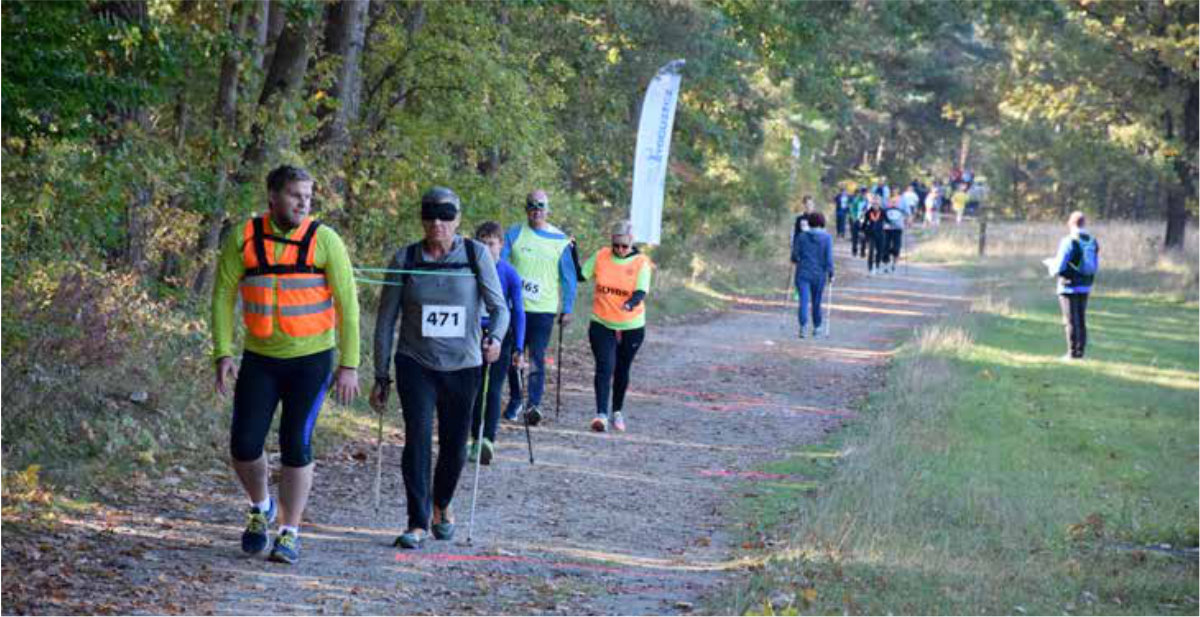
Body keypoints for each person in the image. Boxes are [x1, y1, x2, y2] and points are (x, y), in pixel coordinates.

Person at [211, 165, 361, 565]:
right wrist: (223, 353)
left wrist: (349, 364)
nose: (303, 202)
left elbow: (348, 305)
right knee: (243, 445)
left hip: (311, 361)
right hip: (260, 359)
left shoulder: (324, 239)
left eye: (308, 196)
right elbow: (223, 296)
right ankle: (261, 507)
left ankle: (290, 531)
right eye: (296, 195)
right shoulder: (242, 237)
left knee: (297, 443)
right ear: (272, 196)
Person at [371, 187, 509, 549]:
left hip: (463, 364)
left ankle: (441, 503)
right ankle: (416, 521)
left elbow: (500, 308)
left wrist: (494, 338)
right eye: (430, 214)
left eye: (446, 215)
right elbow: (386, 320)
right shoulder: (405, 257)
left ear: (458, 219)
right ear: (421, 218)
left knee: (454, 445)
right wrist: (381, 373)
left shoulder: (476, 255)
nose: (438, 222)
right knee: (416, 437)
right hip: (415, 361)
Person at [501, 190, 577, 426]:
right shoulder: (514, 233)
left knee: (537, 356)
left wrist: (567, 308)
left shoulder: (561, 240)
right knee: (514, 355)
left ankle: (533, 403)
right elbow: (499, 264)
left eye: (541, 206)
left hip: (543, 309)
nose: (536, 211)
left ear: (547, 209)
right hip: (515, 307)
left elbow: (569, 278)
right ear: (526, 209)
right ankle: (515, 400)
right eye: (532, 206)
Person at [581, 220, 653, 432]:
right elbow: (580, 275)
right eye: (616, 245)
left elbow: (641, 291)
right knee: (605, 366)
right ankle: (601, 414)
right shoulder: (601, 255)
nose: (620, 250)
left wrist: (631, 303)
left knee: (622, 368)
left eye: (624, 246)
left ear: (631, 242)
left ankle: (617, 411)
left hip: (631, 324)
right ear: (611, 242)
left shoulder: (641, 262)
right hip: (602, 321)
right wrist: (570, 252)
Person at [468, 222, 526, 465]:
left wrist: (519, 347)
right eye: (481, 243)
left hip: (500, 335)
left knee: (492, 389)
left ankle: (487, 440)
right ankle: (473, 438)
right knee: (472, 389)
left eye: (491, 243)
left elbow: (519, 311)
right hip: (471, 333)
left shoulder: (509, 273)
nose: (486, 248)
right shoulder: (469, 270)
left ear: (501, 245)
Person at [1050, 211, 1100, 360]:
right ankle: (1080, 352)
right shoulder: (1092, 241)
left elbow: (1059, 266)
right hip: (1085, 285)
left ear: (1070, 223)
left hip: (1068, 286)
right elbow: (1095, 264)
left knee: (1070, 321)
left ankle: (1072, 353)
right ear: (1084, 223)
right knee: (1081, 319)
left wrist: (1050, 267)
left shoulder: (1069, 240)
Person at [791, 212, 834, 338]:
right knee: (816, 301)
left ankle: (803, 327)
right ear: (822, 223)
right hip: (819, 274)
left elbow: (794, 255)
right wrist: (831, 273)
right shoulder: (827, 238)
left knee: (803, 300)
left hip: (803, 272)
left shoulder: (802, 236)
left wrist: (795, 260)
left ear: (809, 222)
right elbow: (829, 258)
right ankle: (817, 327)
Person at [862, 195, 886, 275]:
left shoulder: (883, 211)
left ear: (880, 203)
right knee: (871, 251)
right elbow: (864, 222)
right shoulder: (868, 212)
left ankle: (877, 266)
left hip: (880, 233)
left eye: (877, 202)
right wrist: (862, 230)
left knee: (879, 251)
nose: (875, 203)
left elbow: (888, 221)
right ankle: (870, 268)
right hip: (871, 234)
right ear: (872, 203)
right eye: (874, 202)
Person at [849, 187, 869, 258]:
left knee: (864, 237)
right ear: (860, 193)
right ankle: (854, 251)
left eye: (865, 193)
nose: (864, 194)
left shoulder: (867, 201)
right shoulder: (856, 200)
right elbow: (852, 209)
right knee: (855, 236)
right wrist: (854, 218)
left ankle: (862, 252)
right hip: (857, 220)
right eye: (862, 193)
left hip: (864, 221)